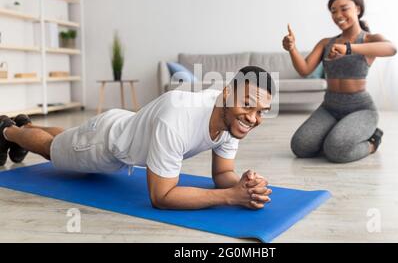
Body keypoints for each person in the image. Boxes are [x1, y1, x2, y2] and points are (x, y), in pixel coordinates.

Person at [0, 66, 275, 210]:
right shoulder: (178, 118)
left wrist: (243, 185)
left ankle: (27, 125)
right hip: (104, 145)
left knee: (70, 138)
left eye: (262, 111)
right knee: (52, 150)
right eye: (249, 106)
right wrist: (230, 197)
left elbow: (223, 172)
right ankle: (8, 130)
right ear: (227, 93)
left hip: (118, 125)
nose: (253, 118)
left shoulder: (232, 117)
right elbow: (162, 196)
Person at [282, 0, 397, 163]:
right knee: (300, 147)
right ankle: (337, 133)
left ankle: (373, 141)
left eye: (344, 8)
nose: (338, 15)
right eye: (333, 11)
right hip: (330, 107)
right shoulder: (326, 43)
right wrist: (292, 48)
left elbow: (391, 49)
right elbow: (304, 70)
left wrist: (349, 48)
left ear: (357, 9)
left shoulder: (369, 39)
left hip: (361, 108)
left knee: (336, 151)